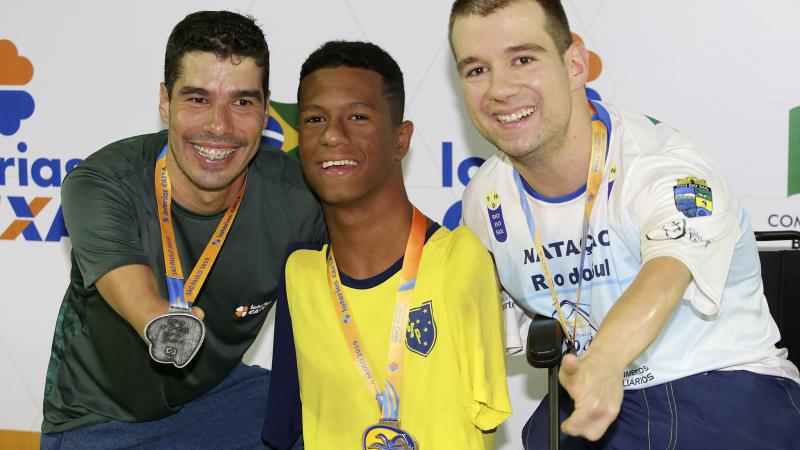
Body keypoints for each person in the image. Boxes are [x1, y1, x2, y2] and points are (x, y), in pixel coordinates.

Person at [449, 0, 800, 448]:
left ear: (574, 63)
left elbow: (667, 273)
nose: (499, 89)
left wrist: (604, 361)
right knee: (544, 433)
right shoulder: (485, 198)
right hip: (596, 397)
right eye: (476, 70)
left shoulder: (662, 165)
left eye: (523, 59)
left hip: (722, 385)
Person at [41, 11, 325, 449]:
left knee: (333, 417)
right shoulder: (101, 183)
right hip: (101, 422)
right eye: (197, 99)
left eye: (242, 102)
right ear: (163, 101)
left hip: (219, 398)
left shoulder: (297, 196)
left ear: (266, 109)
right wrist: (160, 319)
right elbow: (137, 297)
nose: (219, 125)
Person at [262, 41, 512, 450]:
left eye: (358, 116)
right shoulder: (300, 275)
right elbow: (284, 430)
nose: (332, 135)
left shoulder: (460, 259)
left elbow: (485, 421)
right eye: (314, 118)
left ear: (400, 140)